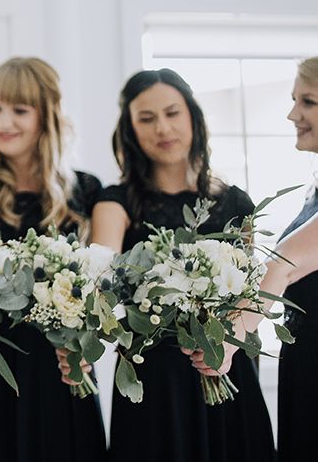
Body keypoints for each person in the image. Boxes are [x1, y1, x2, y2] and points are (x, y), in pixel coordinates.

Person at [63, 68, 274, 462]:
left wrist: (227, 340)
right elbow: (99, 279)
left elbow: (256, 290)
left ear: (193, 116)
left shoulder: (236, 202)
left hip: (225, 367)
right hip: (153, 382)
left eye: (172, 113)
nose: (162, 127)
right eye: (146, 118)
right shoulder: (116, 201)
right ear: (130, 130)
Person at [0, 57, 106, 462]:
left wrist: (86, 343)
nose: (3, 122)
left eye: (19, 110)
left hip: (64, 370)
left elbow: (102, 289)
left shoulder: (88, 192)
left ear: (46, 116)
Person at [187, 56, 318, 461]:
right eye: (295, 99)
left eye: (308, 101)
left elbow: (281, 267)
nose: (292, 113)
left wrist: (225, 341)